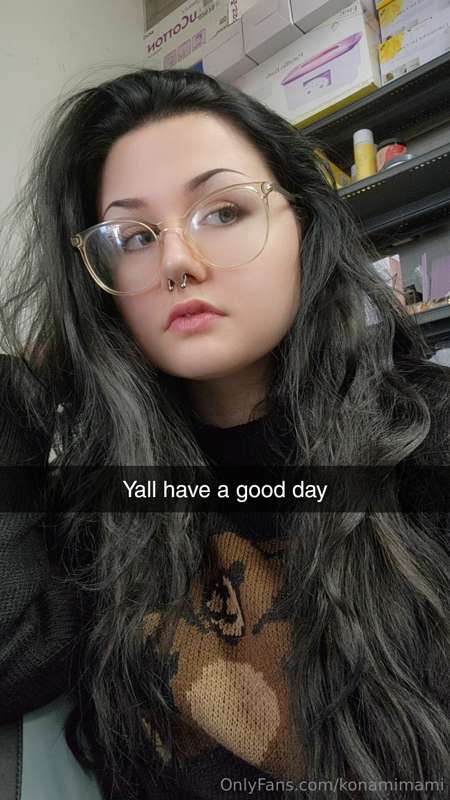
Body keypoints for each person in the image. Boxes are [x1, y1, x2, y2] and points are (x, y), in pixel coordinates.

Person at [0, 67, 449, 800]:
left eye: (224, 211)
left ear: (305, 226)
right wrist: (25, 388)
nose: (177, 261)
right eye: (133, 237)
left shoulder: (428, 441)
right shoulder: (101, 502)